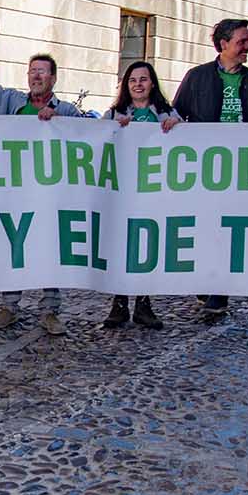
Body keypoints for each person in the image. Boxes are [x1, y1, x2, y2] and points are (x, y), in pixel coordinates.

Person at [0, 20, 78, 335]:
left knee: (50, 248)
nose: (36, 76)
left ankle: (50, 311)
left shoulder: (67, 111)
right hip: (15, 191)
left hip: (50, 193)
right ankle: (9, 306)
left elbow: (87, 138)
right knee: (14, 247)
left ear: (53, 78)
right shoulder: (10, 102)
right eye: (32, 71)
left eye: (42, 71)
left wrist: (59, 123)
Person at [172, 18, 248, 322]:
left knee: (229, 228)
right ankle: (207, 279)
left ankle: (219, 292)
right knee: (204, 227)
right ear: (223, 44)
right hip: (204, 170)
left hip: (240, 172)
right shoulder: (197, 77)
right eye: (242, 41)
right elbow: (177, 113)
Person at [100, 60, 181, 330]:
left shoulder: (166, 113)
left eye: (143, 79)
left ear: (152, 83)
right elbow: (97, 142)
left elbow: (184, 140)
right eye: (133, 80)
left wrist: (174, 125)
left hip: (152, 192)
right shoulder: (114, 113)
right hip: (122, 192)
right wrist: (114, 129)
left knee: (147, 246)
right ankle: (119, 303)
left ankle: (144, 305)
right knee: (122, 246)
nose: (138, 84)